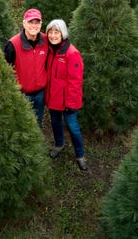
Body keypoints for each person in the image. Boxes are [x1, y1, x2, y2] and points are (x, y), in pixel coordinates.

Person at [45, 19, 88, 171]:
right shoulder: (50, 50)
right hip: (54, 98)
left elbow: (75, 82)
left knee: (73, 127)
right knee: (55, 123)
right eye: (50, 32)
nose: (53, 35)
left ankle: (80, 155)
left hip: (67, 101)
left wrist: (70, 104)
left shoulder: (72, 53)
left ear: (63, 34)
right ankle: (58, 144)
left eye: (57, 32)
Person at [3, 8, 48, 128]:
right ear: (24, 23)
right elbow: (4, 70)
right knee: (20, 124)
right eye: (30, 22)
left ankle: (37, 143)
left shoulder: (46, 40)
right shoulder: (12, 44)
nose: (34, 26)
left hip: (40, 93)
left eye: (37, 22)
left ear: (41, 25)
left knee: (37, 122)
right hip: (21, 94)